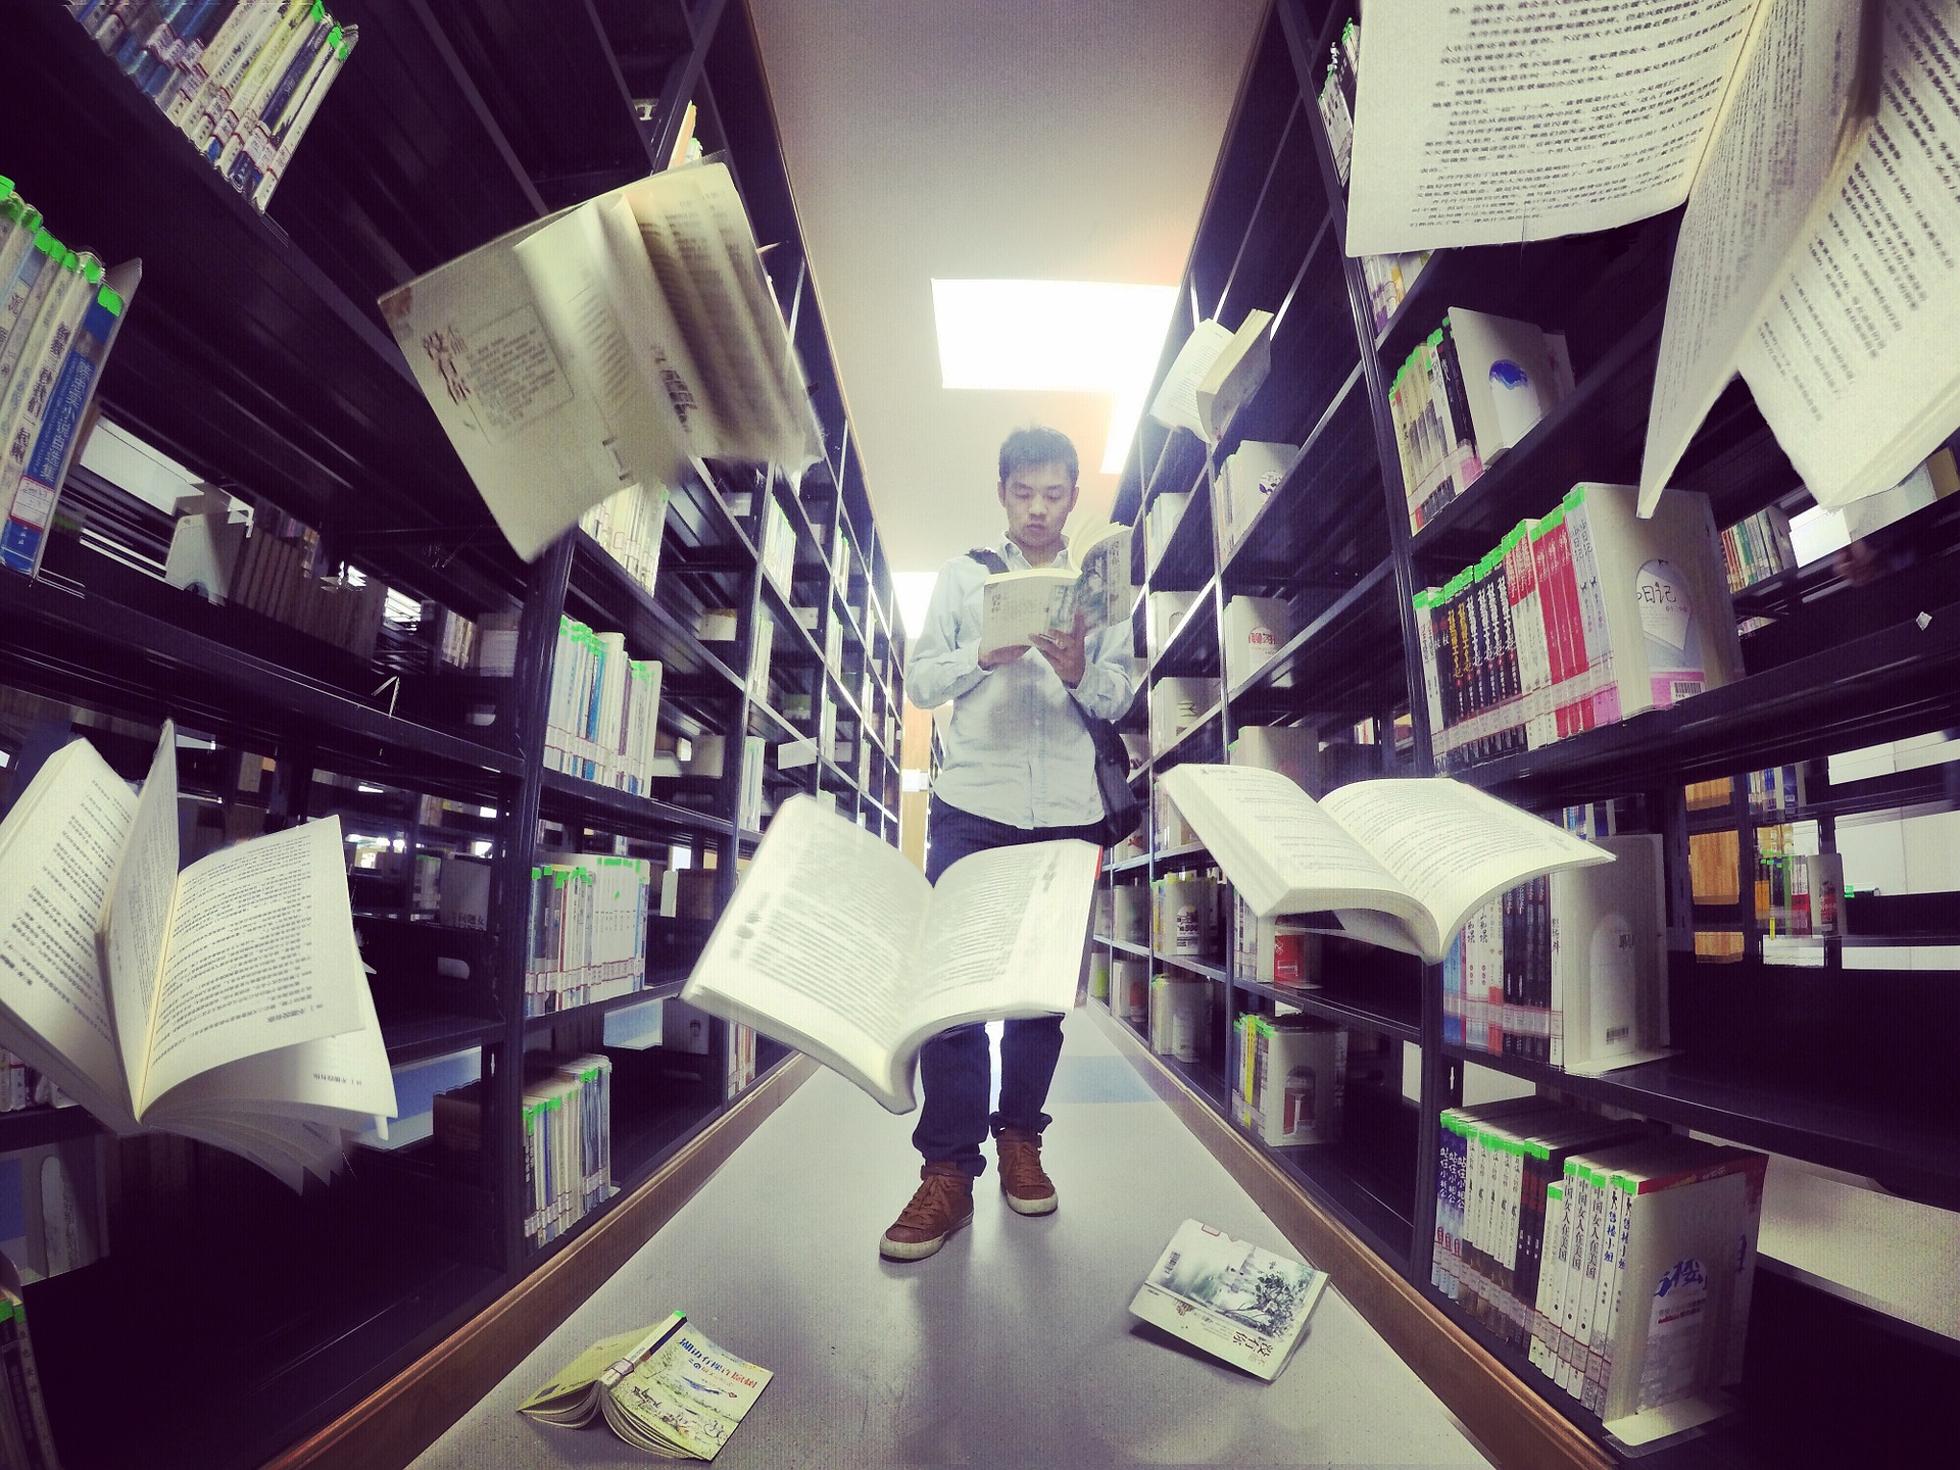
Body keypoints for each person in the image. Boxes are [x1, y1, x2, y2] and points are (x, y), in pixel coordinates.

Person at [883, 425, 1136, 1262]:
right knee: (954, 994)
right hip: (973, 805)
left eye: (1053, 494)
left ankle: (1021, 1137)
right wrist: (982, 655)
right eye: (1023, 493)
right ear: (1001, 493)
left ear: (1072, 498)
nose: (1037, 508)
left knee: (1041, 994)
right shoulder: (963, 577)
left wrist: (1077, 670)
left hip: (1068, 809)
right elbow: (921, 681)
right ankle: (948, 1171)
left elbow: (1120, 694)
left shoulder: (1100, 591)